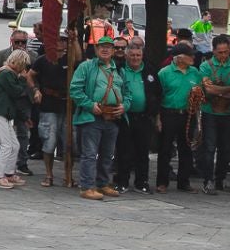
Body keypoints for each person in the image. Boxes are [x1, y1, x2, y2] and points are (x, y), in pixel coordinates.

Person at [70, 35, 125, 201]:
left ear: (113, 50)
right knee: (89, 153)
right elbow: (75, 90)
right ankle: (87, 186)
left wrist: (124, 106)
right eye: (102, 47)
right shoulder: (86, 67)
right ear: (96, 49)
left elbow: (127, 93)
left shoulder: (119, 70)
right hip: (91, 117)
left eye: (109, 47)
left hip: (112, 116)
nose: (105, 49)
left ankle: (102, 183)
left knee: (107, 154)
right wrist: (89, 105)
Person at [195, 35, 230, 196]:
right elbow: (208, 90)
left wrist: (220, 92)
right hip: (209, 112)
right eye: (220, 52)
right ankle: (208, 180)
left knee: (226, 148)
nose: (223, 55)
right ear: (213, 51)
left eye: (226, 52)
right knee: (209, 147)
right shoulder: (206, 66)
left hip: (229, 113)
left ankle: (221, 179)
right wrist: (228, 89)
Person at [0, 49, 36, 188]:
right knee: (7, 145)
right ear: (19, 63)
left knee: (15, 145)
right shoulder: (7, 73)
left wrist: (24, 117)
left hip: (3, 113)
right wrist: (23, 79)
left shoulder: (8, 73)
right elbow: (17, 92)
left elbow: (14, 100)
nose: (24, 69)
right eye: (24, 65)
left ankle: (8, 173)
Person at [155, 42, 201, 193]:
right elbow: (158, 96)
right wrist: (158, 117)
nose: (193, 57)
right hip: (169, 113)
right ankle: (162, 182)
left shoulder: (194, 72)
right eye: (190, 55)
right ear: (180, 58)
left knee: (186, 148)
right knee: (165, 149)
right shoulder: (164, 73)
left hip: (188, 114)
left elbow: (201, 91)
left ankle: (184, 181)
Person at [113, 41, 155, 193]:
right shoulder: (119, 69)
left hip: (144, 117)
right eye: (132, 55)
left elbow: (156, 93)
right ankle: (121, 181)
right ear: (126, 55)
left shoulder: (150, 71)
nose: (135, 58)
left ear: (142, 56)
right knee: (123, 150)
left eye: (138, 55)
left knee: (143, 152)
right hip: (125, 117)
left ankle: (141, 182)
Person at [30, 34, 69, 186]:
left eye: (62, 40)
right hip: (48, 105)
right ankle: (49, 174)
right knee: (49, 141)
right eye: (57, 40)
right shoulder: (42, 59)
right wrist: (35, 90)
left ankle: (68, 176)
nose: (59, 43)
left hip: (67, 105)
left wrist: (74, 39)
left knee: (68, 143)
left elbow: (80, 60)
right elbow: (30, 75)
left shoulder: (69, 58)